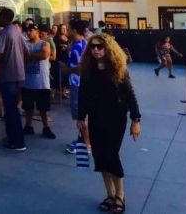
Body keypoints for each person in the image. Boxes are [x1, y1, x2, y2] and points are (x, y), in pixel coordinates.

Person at [77, 34, 141, 214]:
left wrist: (136, 119)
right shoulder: (88, 69)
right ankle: (110, 195)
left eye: (100, 46)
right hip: (95, 117)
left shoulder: (118, 68)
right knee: (99, 156)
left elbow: (130, 94)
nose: (96, 50)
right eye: (93, 47)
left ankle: (120, 195)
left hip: (116, 117)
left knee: (111, 154)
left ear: (108, 48)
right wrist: (81, 117)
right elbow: (83, 94)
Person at [0, 8, 27, 151]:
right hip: (18, 73)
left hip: (8, 75)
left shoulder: (3, 34)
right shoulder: (17, 31)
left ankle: (17, 142)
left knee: (11, 109)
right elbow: (26, 50)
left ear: (3, 17)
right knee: (12, 107)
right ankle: (12, 136)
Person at [22, 24, 56, 139]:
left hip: (42, 83)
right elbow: (21, 55)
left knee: (43, 108)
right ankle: (28, 126)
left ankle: (46, 127)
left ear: (37, 31)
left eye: (31, 30)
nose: (28, 32)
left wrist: (28, 55)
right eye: (27, 30)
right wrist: (33, 55)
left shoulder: (44, 43)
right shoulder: (24, 44)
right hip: (27, 83)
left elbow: (44, 54)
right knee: (28, 107)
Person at [60, 20, 88, 154]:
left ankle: (85, 144)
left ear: (75, 30)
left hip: (78, 84)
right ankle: (82, 140)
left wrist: (67, 69)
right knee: (80, 114)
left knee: (79, 115)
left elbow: (82, 68)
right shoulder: (81, 44)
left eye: (69, 29)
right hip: (78, 84)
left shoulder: (79, 47)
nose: (67, 31)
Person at [54, 23, 70, 99]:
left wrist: (67, 47)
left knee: (66, 76)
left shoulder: (67, 37)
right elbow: (55, 47)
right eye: (62, 28)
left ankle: (65, 91)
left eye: (65, 28)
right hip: (60, 58)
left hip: (67, 58)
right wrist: (62, 46)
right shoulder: (57, 38)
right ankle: (58, 91)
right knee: (60, 76)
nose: (64, 30)